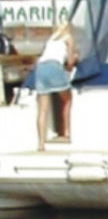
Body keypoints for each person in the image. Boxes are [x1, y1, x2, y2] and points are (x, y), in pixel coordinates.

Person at [35, 23, 78, 151]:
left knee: (42, 109)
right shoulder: (68, 38)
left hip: (41, 67)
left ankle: (41, 143)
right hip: (54, 66)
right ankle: (66, 133)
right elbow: (70, 63)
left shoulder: (52, 38)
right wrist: (75, 58)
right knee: (67, 99)